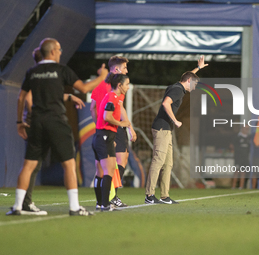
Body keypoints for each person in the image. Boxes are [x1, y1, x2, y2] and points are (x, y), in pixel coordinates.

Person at [6, 38, 108, 216]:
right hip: (56, 122)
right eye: (59, 49)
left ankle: (17, 206)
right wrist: (102, 77)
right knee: (68, 165)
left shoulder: (32, 72)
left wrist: (19, 122)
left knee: (28, 166)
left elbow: (21, 98)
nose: (60, 52)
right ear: (52, 51)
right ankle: (74, 207)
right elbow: (83, 89)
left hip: (37, 122)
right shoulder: (61, 70)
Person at [21, 48, 85, 215]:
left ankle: (24, 203)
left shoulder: (37, 78)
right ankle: (25, 203)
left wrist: (69, 97)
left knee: (33, 166)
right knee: (33, 166)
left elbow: (52, 95)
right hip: (40, 124)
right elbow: (28, 99)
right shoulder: (38, 78)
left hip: (37, 123)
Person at [145, 71, 200, 204]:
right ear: (189, 81)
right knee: (158, 161)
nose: (195, 87)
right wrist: (175, 120)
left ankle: (164, 196)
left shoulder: (177, 85)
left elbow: (188, 75)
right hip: (162, 128)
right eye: (195, 84)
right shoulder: (177, 90)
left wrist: (197, 68)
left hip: (167, 130)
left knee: (168, 164)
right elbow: (166, 103)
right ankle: (149, 195)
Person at [90, 56, 136, 209]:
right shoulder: (115, 91)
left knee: (101, 169)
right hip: (108, 131)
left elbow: (92, 108)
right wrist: (126, 125)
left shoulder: (99, 86)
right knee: (117, 164)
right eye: (124, 68)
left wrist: (99, 127)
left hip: (101, 131)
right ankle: (110, 199)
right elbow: (112, 112)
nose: (126, 71)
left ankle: (101, 202)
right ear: (116, 70)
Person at [230, 125, 250, 190]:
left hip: (245, 158)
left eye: (247, 129)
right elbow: (232, 145)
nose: (246, 130)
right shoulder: (237, 137)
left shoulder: (248, 138)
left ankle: (241, 187)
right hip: (238, 157)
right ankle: (233, 186)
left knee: (243, 172)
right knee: (236, 172)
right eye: (245, 128)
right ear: (242, 129)